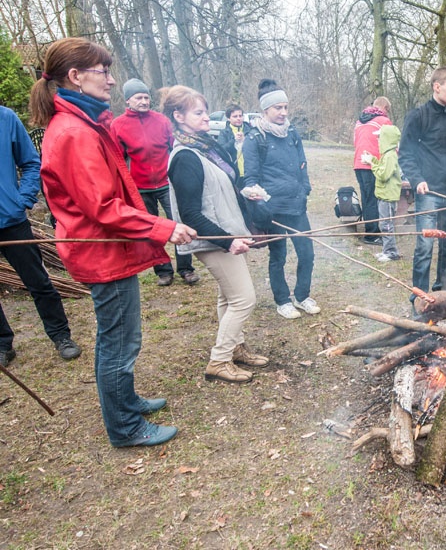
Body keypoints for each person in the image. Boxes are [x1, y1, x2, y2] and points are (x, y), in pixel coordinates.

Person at [32, 37, 195, 447]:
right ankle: (125, 428)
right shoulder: (72, 132)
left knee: (123, 336)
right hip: (100, 251)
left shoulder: (86, 122)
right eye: (103, 71)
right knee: (118, 342)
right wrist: (162, 227)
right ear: (75, 76)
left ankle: (128, 401)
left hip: (109, 249)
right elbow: (102, 207)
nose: (110, 79)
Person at [163, 86, 269, 384]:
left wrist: (244, 194)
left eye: (205, 111)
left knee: (228, 296)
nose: (206, 117)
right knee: (244, 299)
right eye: (198, 112)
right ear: (178, 116)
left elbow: (220, 188)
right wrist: (227, 239)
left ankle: (235, 347)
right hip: (212, 240)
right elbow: (191, 215)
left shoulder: (204, 148)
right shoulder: (185, 157)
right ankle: (219, 360)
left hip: (226, 234)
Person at [0, 105, 81, 367]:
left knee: (38, 281)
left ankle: (61, 336)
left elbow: (31, 162)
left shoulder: (5, 118)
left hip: (11, 221)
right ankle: (3, 344)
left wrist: (22, 200)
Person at [242, 79, 320, 319]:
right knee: (279, 256)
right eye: (278, 108)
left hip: (297, 206)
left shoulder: (292, 133)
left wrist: (304, 188)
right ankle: (282, 300)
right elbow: (250, 179)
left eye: (285, 107)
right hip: (273, 210)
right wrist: (258, 200)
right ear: (266, 110)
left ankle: (302, 295)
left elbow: (302, 164)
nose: (283, 112)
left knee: (307, 253)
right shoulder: (255, 139)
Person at [111, 78, 198, 287]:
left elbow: (175, 147)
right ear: (128, 101)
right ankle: (163, 271)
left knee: (178, 224)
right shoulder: (118, 125)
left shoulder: (161, 121)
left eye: (146, 97)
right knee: (152, 230)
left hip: (167, 183)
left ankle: (186, 269)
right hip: (139, 187)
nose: (143, 101)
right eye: (138, 98)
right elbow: (118, 159)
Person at [399, 66, 446, 298]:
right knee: (425, 247)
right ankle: (420, 295)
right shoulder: (418, 116)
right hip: (428, 193)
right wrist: (417, 179)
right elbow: (406, 154)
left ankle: (441, 293)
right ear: (437, 86)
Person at [353, 97, 392, 245]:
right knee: (374, 198)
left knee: (367, 197)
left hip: (358, 163)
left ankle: (370, 228)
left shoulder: (359, 121)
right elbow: (391, 144)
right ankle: (372, 234)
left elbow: (355, 142)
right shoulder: (383, 121)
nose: (387, 113)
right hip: (372, 164)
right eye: (387, 110)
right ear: (384, 107)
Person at [363, 125, 403, 262]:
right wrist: (372, 160)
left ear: (387, 139)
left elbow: (384, 174)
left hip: (388, 196)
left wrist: (372, 164)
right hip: (383, 195)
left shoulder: (391, 156)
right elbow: (381, 168)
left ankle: (391, 252)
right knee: (383, 224)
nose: (378, 140)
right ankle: (386, 250)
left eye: (380, 137)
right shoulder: (386, 155)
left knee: (387, 225)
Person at [218, 104, 252, 176]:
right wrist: (234, 140)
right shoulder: (224, 133)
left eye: (240, 116)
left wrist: (245, 140)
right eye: (235, 116)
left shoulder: (250, 130)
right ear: (228, 118)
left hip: (249, 172)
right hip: (233, 172)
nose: (238, 118)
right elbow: (221, 151)